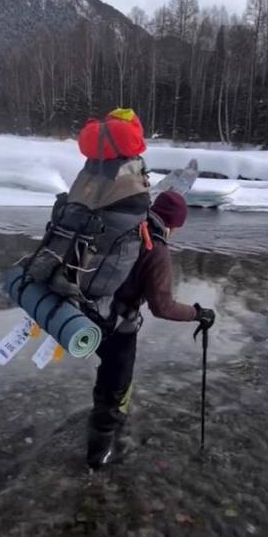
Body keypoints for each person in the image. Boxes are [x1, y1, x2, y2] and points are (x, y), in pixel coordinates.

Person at [87, 190, 215, 467]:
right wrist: (198, 314)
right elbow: (163, 307)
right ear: (174, 223)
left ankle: (106, 425)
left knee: (108, 377)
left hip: (90, 312)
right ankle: (98, 458)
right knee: (116, 386)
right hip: (118, 326)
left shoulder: (126, 227)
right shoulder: (155, 249)